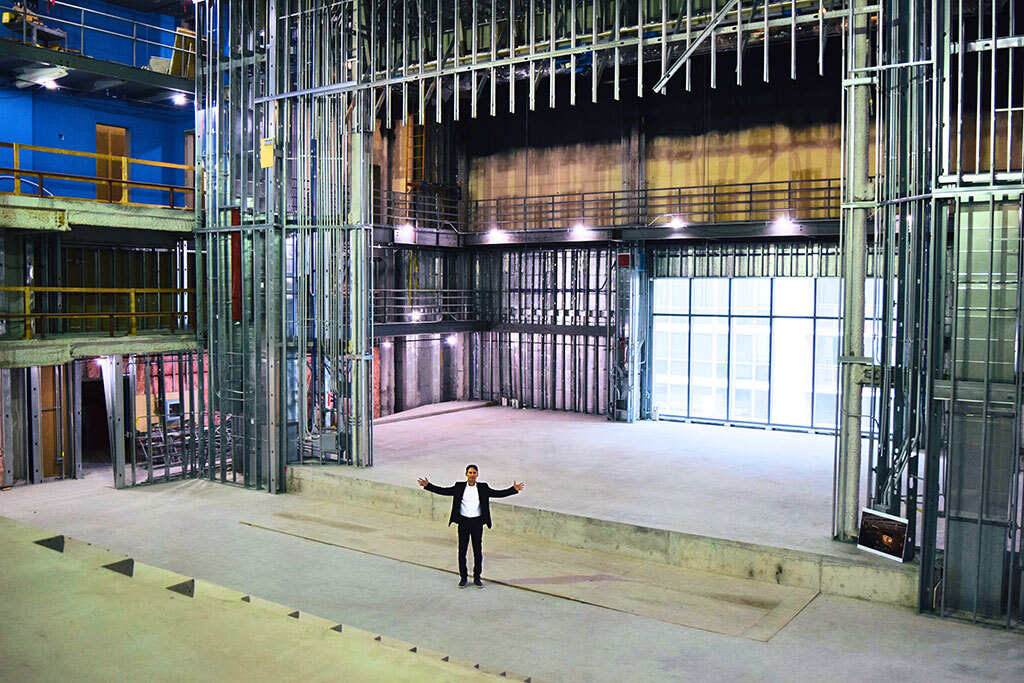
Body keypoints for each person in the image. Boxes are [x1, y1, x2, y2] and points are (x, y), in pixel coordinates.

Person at [418, 464, 524, 588]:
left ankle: (477, 578)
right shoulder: (459, 486)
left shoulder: (483, 487)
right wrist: (428, 486)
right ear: (466, 474)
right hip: (463, 523)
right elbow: (444, 491)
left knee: (477, 552)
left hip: (477, 523)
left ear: (477, 474)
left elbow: (498, 493)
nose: (472, 475)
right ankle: (463, 578)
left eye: (474, 473)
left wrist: (513, 489)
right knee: (462, 551)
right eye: (470, 473)